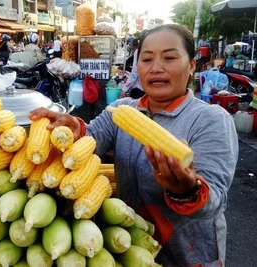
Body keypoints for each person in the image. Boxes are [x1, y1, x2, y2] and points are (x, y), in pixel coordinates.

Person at [28, 24, 238, 266]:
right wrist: (72, 129)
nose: (156, 68)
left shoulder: (210, 119)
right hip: (131, 246)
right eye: (146, 59)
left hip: (185, 255)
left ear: (192, 65)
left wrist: (187, 191)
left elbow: (216, 199)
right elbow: (91, 139)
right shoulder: (121, 109)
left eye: (169, 57)